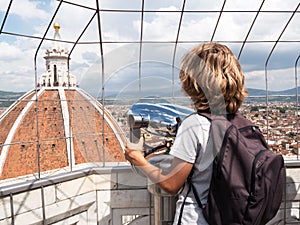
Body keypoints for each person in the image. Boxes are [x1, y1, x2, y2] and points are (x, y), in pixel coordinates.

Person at [124, 42, 248, 224]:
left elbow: (171, 185)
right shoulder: (244, 124)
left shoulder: (195, 125)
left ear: (193, 82)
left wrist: (139, 160)